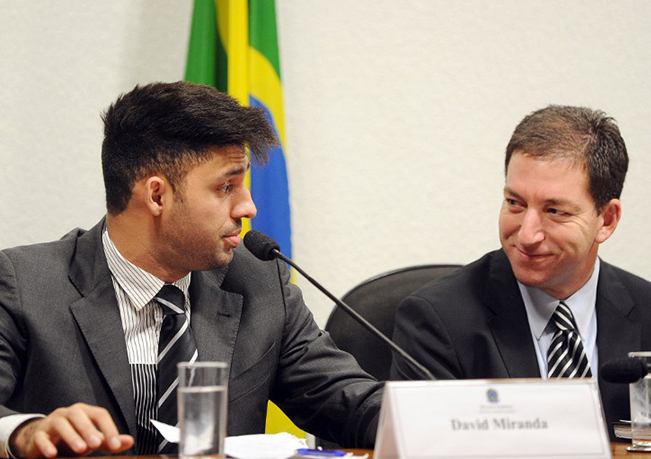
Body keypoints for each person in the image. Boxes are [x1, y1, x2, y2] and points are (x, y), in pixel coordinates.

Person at [0, 81, 382, 458]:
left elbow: (345, 400)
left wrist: (428, 418)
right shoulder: (25, 285)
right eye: (226, 187)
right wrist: (25, 432)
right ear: (156, 195)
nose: (248, 208)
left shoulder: (260, 283)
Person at [390, 105, 651, 439]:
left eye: (555, 211)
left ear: (606, 220)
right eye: (515, 203)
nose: (527, 234)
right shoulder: (438, 321)